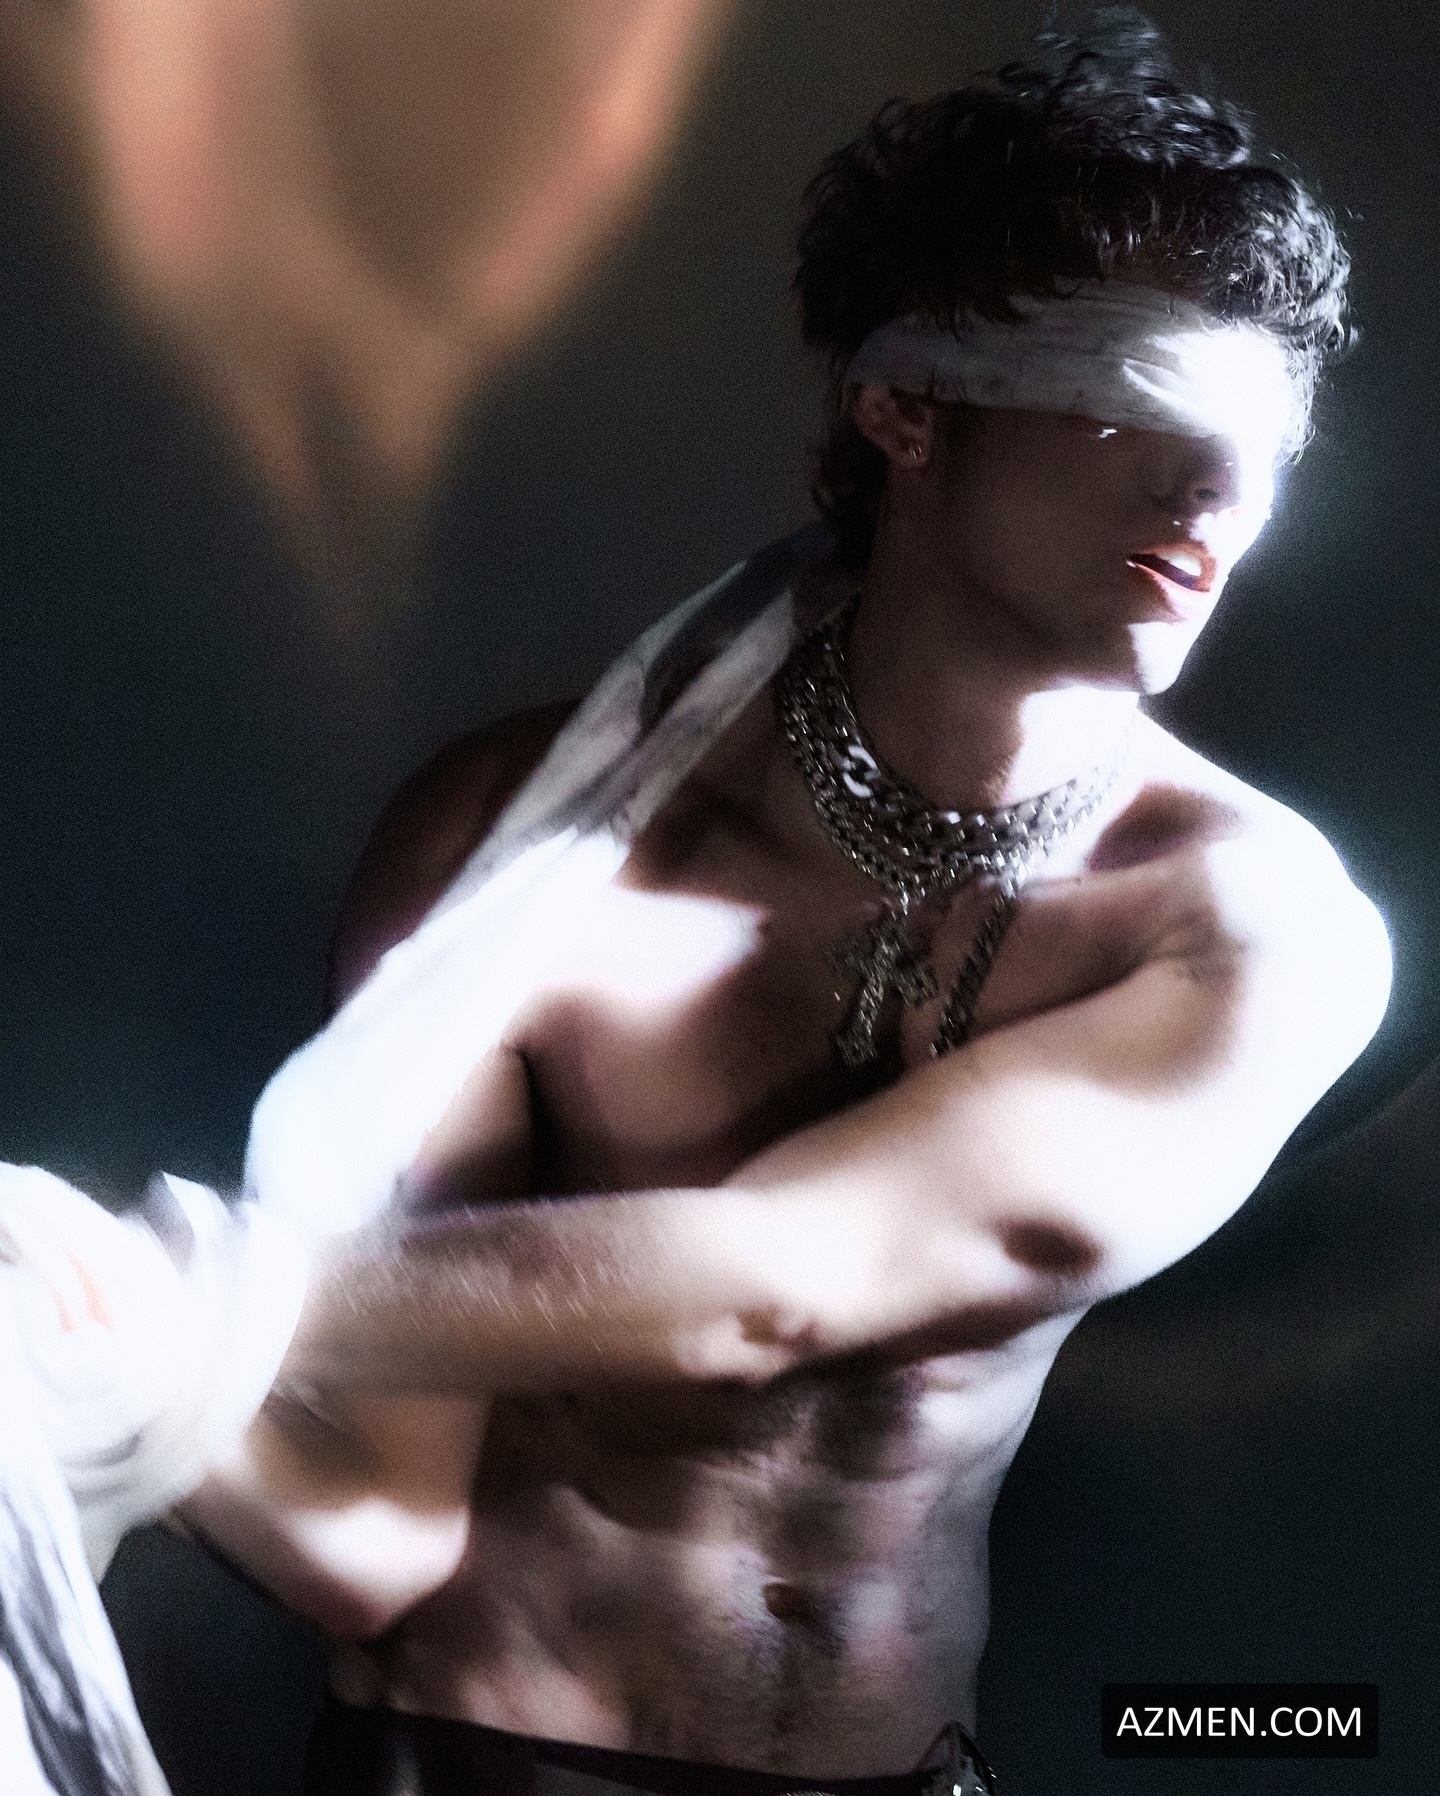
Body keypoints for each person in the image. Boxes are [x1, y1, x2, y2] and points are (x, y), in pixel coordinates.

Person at [172, 14, 1391, 1796]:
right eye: (1140, 394)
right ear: (906, 409)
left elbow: (773, 1287)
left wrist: (168, 1298)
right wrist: (76, 1378)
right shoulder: (525, 850)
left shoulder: (1251, 936)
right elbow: (374, 1536)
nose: (1215, 490)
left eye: (1263, 435)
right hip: (466, 1759)